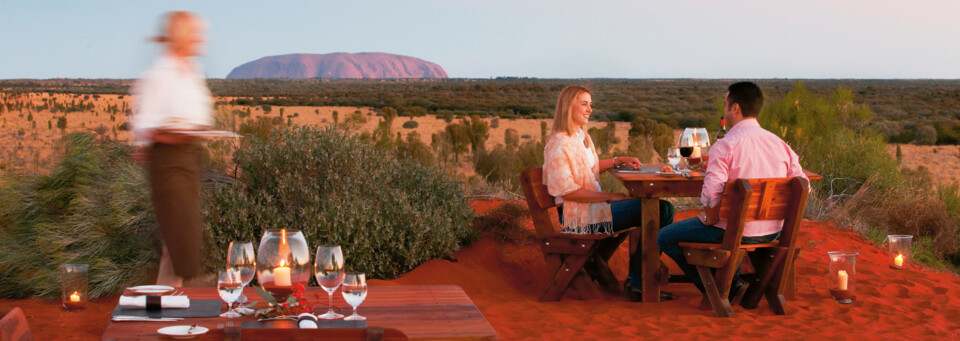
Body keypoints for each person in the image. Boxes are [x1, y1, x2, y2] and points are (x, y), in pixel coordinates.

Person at [657, 81, 809, 299]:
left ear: (734, 108)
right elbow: (804, 186)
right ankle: (731, 282)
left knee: (664, 237)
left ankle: (720, 289)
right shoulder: (780, 145)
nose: (725, 108)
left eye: (726, 103)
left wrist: (709, 219)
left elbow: (711, 196)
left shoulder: (726, 145)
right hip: (773, 232)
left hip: (736, 232)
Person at [542, 85, 675, 301]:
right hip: (578, 217)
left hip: (592, 210)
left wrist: (618, 160)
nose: (589, 109)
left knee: (660, 208)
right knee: (659, 209)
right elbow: (567, 191)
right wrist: (610, 197)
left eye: (590, 104)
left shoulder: (579, 137)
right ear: (568, 106)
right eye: (584, 104)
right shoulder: (560, 143)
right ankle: (640, 284)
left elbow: (590, 166)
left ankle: (638, 282)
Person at [130, 11, 213, 287]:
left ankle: (166, 307)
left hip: (190, 157)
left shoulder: (192, 72)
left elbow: (200, 117)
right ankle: (171, 306)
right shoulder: (158, 76)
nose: (201, 40)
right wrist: (172, 133)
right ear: (182, 38)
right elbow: (144, 124)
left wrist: (193, 130)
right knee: (180, 236)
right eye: (196, 34)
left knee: (177, 240)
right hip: (168, 160)